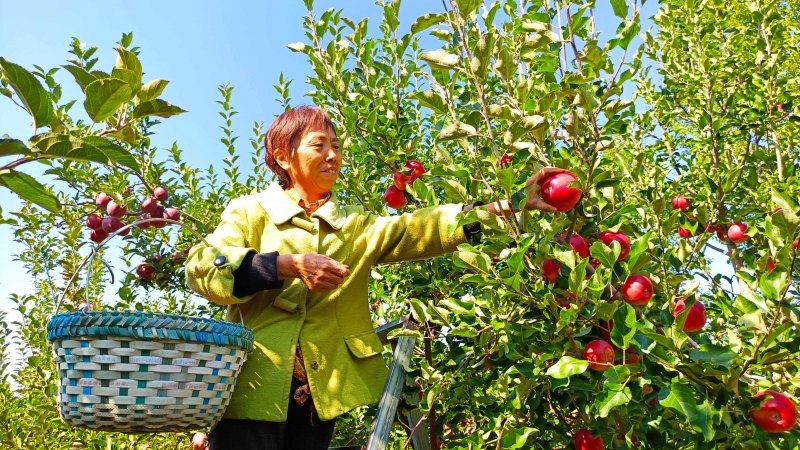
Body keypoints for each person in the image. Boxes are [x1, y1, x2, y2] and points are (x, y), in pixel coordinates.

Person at [186, 105, 564, 450]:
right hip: (252, 385)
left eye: (336, 146)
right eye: (319, 145)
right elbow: (202, 266)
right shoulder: (252, 211)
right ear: (284, 156)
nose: (333, 156)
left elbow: (420, 228)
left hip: (319, 390)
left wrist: (507, 205)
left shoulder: (352, 224)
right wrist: (285, 265)